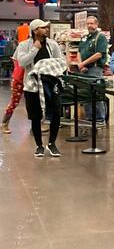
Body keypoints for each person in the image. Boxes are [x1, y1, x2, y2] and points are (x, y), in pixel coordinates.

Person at [14, 19, 69, 157]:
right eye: (43, 27)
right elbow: (22, 62)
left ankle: (52, 143)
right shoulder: (24, 45)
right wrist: (35, 49)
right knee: (35, 116)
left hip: (52, 83)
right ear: (35, 30)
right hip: (32, 85)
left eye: (46, 27)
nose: (46, 29)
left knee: (56, 112)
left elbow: (61, 61)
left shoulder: (52, 44)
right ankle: (39, 145)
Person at [76, 16, 109, 124]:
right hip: (84, 69)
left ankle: (99, 119)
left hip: (95, 69)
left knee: (96, 93)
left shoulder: (101, 37)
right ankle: (90, 118)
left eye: (92, 23)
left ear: (96, 24)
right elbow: (79, 51)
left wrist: (84, 63)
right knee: (86, 93)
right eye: (88, 23)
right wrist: (81, 65)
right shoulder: (84, 37)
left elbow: (99, 54)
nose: (90, 25)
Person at [2, 45, 25, 134]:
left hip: (29, 79)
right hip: (19, 79)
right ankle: (4, 123)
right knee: (14, 102)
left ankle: (36, 126)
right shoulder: (23, 47)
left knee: (33, 103)